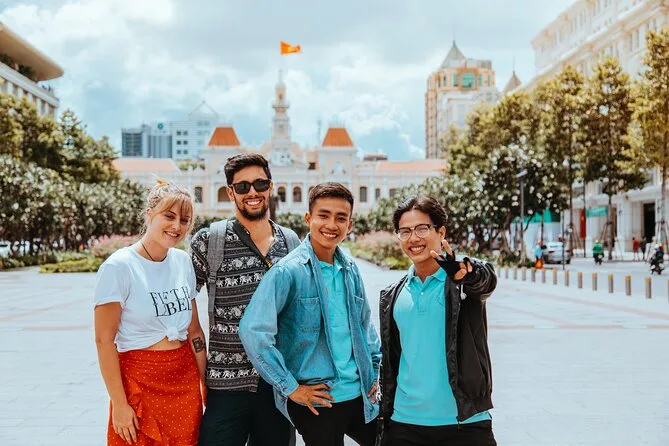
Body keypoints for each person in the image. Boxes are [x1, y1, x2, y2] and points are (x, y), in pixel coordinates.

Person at [239, 182, 381, 446]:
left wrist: (374, 371)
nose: (332, 225)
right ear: (308, 218)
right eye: (323, 215)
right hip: (317, 400)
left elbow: (365, 326)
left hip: (361, 394)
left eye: (341, 218)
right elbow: (253, 331)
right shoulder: (288, 272)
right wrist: (291, 388)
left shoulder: (350, 268)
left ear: (350, 225)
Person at [190, 153, 300, 446]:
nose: (252, 192)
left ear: (270, 187)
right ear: (231, 192)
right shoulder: (209, 241)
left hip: (277, 384)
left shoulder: (291, 244)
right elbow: (184, 299)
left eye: (260, 184)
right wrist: (200, 371)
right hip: (225, 383)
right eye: (242, 186)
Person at [377, 196, 497, 446]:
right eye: (405, 231)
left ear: (441, 232)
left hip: (465, 424)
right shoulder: (392, 295)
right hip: (404, 424)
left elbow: (485, 280)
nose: (413, 238)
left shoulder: (462, 282)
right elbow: (391, 357)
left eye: (422, 229)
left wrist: (467, 274)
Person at [94, 179, 206, 446]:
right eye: (169, 216)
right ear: (149, 214)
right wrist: (119, 404)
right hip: (139, 381)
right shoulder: (119, 267)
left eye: (184, 220)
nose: (177, 226)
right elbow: (104, 341)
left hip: (184, 382)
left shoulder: (183, 262)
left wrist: (205, 385)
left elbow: (194, 332)